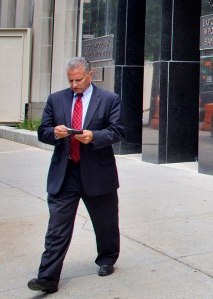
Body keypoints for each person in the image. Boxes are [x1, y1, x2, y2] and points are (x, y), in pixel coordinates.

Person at [28, 57, 125, 294]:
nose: (74, 85)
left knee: (106, 223)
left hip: (97, 172)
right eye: (70, 80)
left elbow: (118, 131)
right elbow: (43, 132)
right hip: (66, 171)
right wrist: (54, 132)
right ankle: (48, 277)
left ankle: (107, 258)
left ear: (90, 75)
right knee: (57, 227)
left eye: (78, 79)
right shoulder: (56, 99)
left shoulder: (110, 100)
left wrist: (94, 137)